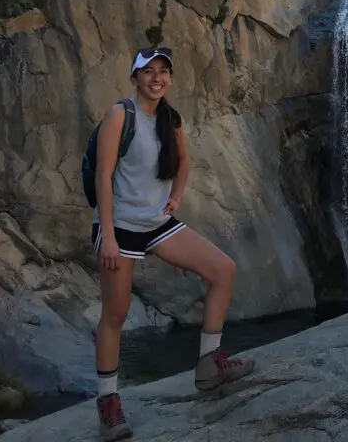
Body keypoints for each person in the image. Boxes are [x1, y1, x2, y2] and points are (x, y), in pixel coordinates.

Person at [92, 47, 255, 440]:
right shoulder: (120, 115)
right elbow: (102, 176)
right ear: (135, 78)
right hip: (121, 228)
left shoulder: (171, 119)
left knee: (223, 270)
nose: (157, 78)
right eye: (148, 72)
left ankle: (208, 365)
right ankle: (108, 404)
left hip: (158, 224)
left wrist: (176, 198)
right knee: (115, 314)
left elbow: (183, 162)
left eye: (163, 71)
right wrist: (109, 237)